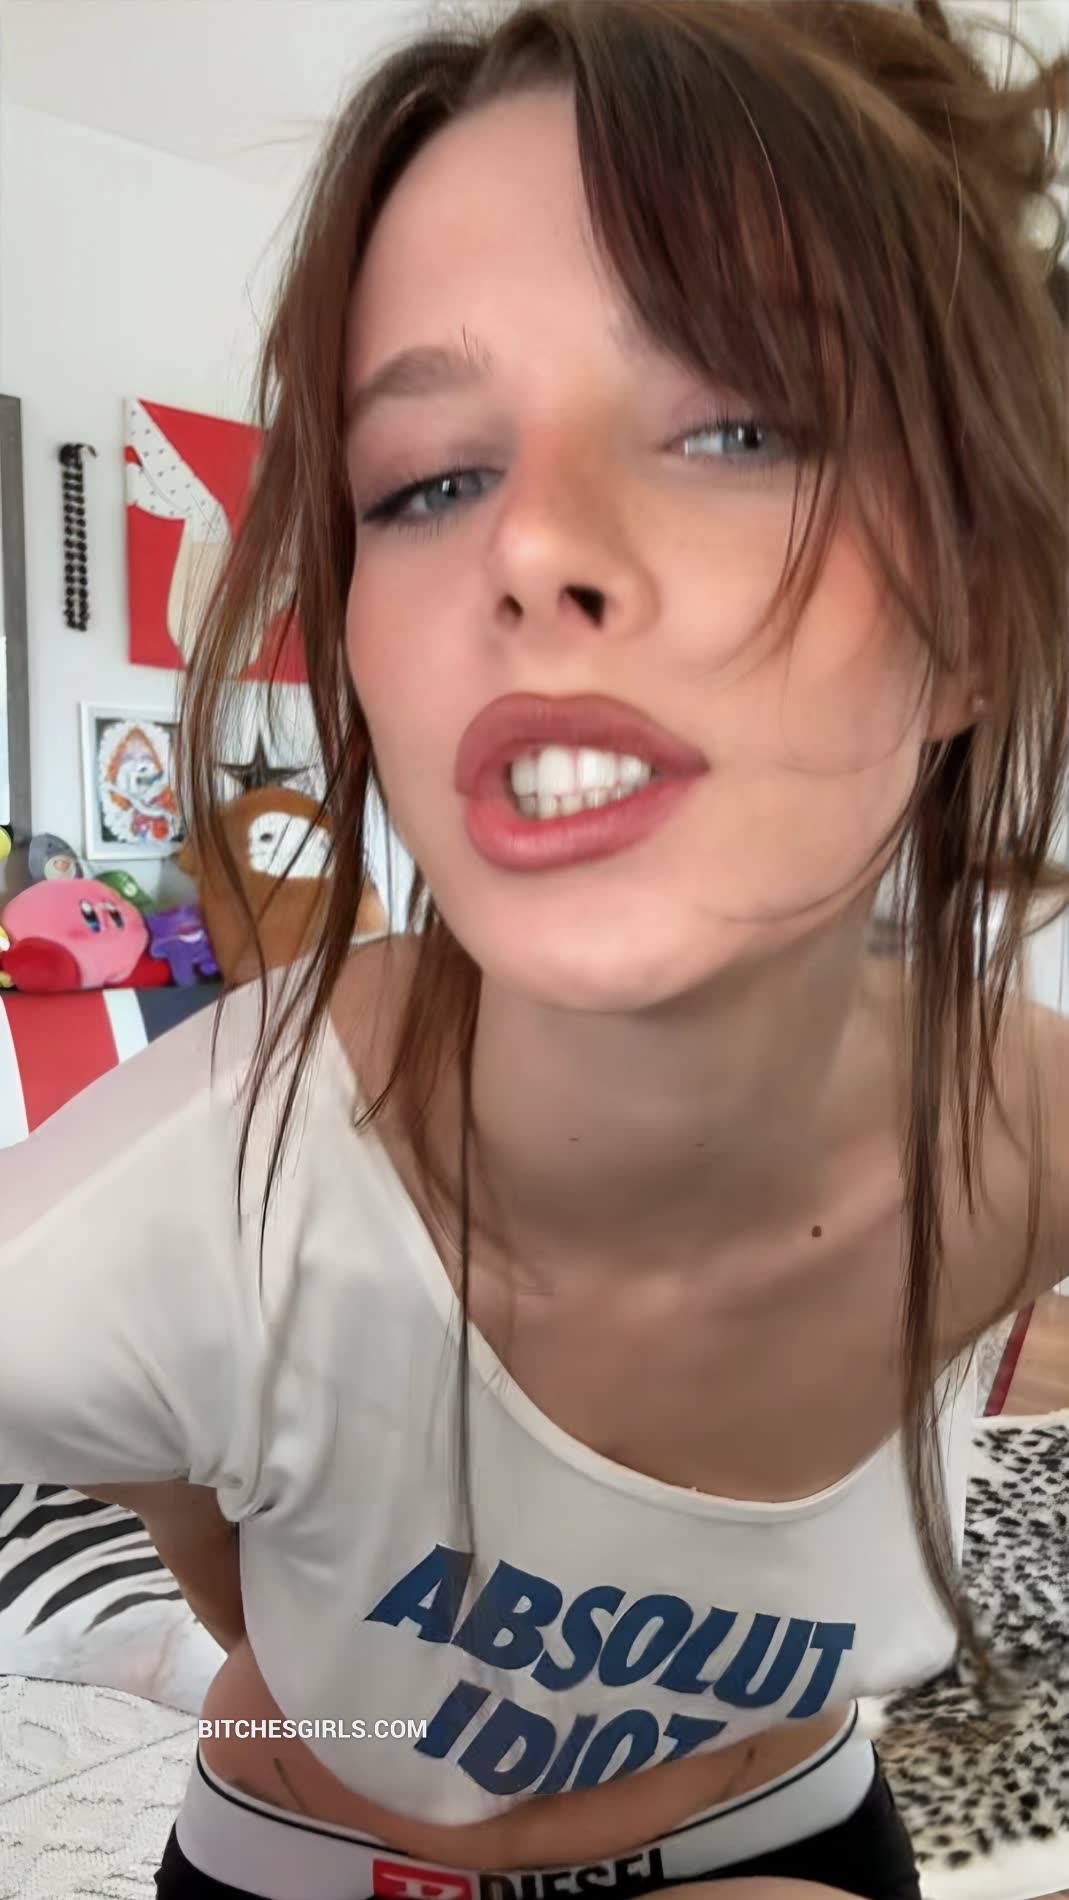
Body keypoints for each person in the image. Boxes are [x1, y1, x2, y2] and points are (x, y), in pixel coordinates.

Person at [2, 1, 1067, 1895]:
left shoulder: (1029, 1141)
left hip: (792, 1810)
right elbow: (232, 1585)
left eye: (736, 425)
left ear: (977, 617)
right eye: (426, 479)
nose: (532, 545)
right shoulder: (125, 1252)